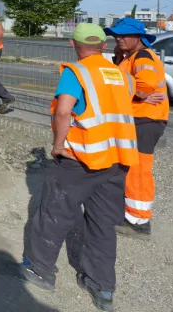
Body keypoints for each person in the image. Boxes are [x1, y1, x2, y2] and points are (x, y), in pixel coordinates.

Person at [20, 23, 138, 312]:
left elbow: (64, 111)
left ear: (74, 45)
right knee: (102, 224)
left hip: (81, 161)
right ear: (103, 45)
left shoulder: (77, 73)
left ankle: (40, 270)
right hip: (117, 161)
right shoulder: (122, 75)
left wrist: (58, 145)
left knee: (54, 213)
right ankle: (102, 287)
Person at [105, 17, 169, 239]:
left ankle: (138, 222)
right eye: (116, 35)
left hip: (146, 120)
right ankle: (131, 214)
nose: (119, 38)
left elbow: (144, 87)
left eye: (124, 35)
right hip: (139, 119)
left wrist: (133, 95)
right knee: (129, 168)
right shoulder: (129, 56)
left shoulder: (142, 57)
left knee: (138, 171)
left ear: (138, 37)